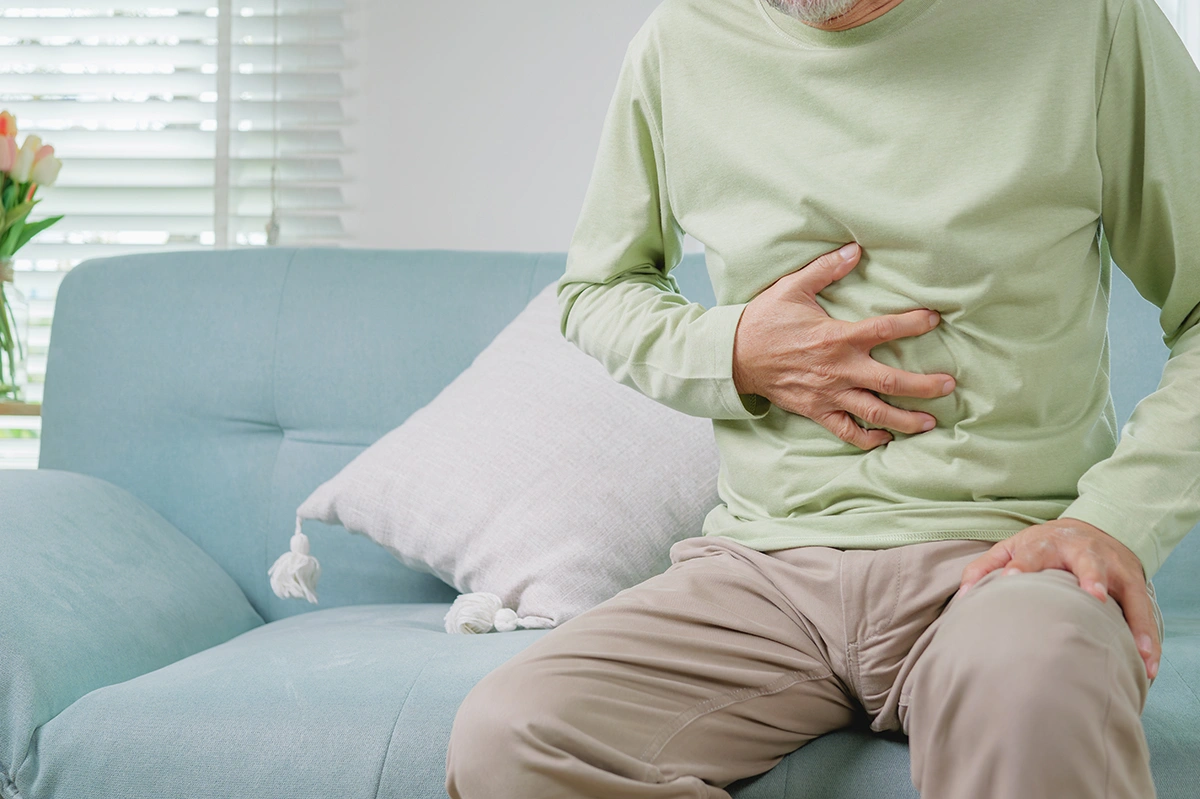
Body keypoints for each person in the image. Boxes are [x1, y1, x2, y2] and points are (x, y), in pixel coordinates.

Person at [445, 0, 1200, 796]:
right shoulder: (682, 40)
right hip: (761, 570)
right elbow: (598, 289)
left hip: (1003, 557)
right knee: (510, 737)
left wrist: (1111, 522)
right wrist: (734, 350)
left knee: (1039, 692)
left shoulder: (1091, 22)